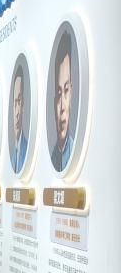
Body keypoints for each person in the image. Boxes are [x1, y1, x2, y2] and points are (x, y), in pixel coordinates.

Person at [50, 37, 75, 172]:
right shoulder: (52, 158)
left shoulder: (74, 152)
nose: (62, 108)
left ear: (71, 93)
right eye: (59, 93)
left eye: (66, 91)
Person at [9, 65, 29, 172]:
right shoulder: (12, 158)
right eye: (15, 102)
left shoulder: (27, 151)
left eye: (19, 101)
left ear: (23, 105)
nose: (17, 113)